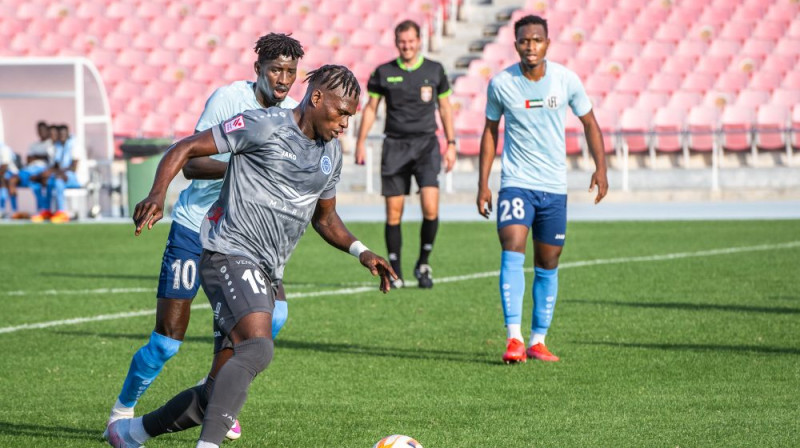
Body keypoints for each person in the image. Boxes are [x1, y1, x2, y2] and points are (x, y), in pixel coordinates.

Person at [106, 64, 397, 448]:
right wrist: (158, 194)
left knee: (218, 390)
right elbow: (187, 148)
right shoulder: (264, 125)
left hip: (267, 268)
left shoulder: (331, 155)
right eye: (341, 112)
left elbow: (324, 218)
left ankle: (129, 432)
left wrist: (361, 251)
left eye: (351, 116)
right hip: (228, 251)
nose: (346, 123)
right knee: (257, 346)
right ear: (317, 98)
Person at [104, 33, 305, 442]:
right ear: (258, 70)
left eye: (290, 71)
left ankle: (216, 394)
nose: (283, 79)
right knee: (166, 342)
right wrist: (246, 168)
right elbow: (192, 163)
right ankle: (121, 411)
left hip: (241, 239)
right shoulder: (229, 100)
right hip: (195, 227)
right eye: (275, 70)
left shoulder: (292, 116)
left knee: (272, 319)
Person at [476, 15, 608, 364]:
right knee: (513, 247)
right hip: (516, 184)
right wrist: (483, 183)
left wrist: (601, 167)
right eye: (524, 40)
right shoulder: (501, 84)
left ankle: (538, 340)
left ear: (547, 43)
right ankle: (514, 338)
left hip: (553, 188)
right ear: (516, 44)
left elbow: (590, 123)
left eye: (536, 40)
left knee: (548, 261)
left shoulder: (565, 80)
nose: (530, 45)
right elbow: (490, 132)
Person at [355, 19, 457, 289]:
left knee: (431, 207)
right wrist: (360, 141)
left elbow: (445, 108)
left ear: (419, 41)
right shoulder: (383, 72)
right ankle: (395, 267)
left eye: (411, 41)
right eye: (402, 42)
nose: (407, 46)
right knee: (394, 212)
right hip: (395, 146)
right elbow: (370, 109)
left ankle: (423, 263)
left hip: (426, 145)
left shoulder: (435, 70)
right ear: (396, 42)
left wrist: (452, 143)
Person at [32, 124, 82, 223]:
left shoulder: (74, 145)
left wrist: (58, 172)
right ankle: (46, 210)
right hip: (62, 174)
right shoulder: (58, 146)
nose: (61, 136)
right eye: (60, 134)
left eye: (64, 134)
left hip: (74, 177)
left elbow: (73, 167)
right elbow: (56, 165)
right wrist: (48, 173)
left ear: (68, 133)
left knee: (58, 181)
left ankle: (61, 212)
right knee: (48, 181)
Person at [5, 121, 53, 219]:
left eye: (43, 130)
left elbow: (49, 159)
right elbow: (28, 159)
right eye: (39, 130)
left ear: (47, 131)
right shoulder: (33, 145)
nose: (41, 132)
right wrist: (42, 156)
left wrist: (36, 157)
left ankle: (43, 210)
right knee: (12, 180)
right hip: (29, 170)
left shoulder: (51, 144)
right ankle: (14, 211)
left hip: (41, 170)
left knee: (37, 185)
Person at [0, 140, 19, 218]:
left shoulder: (4, 149)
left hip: (11, 173)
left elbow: (5, 165)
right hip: (2, 173)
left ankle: (13, 210)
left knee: (6, 182)